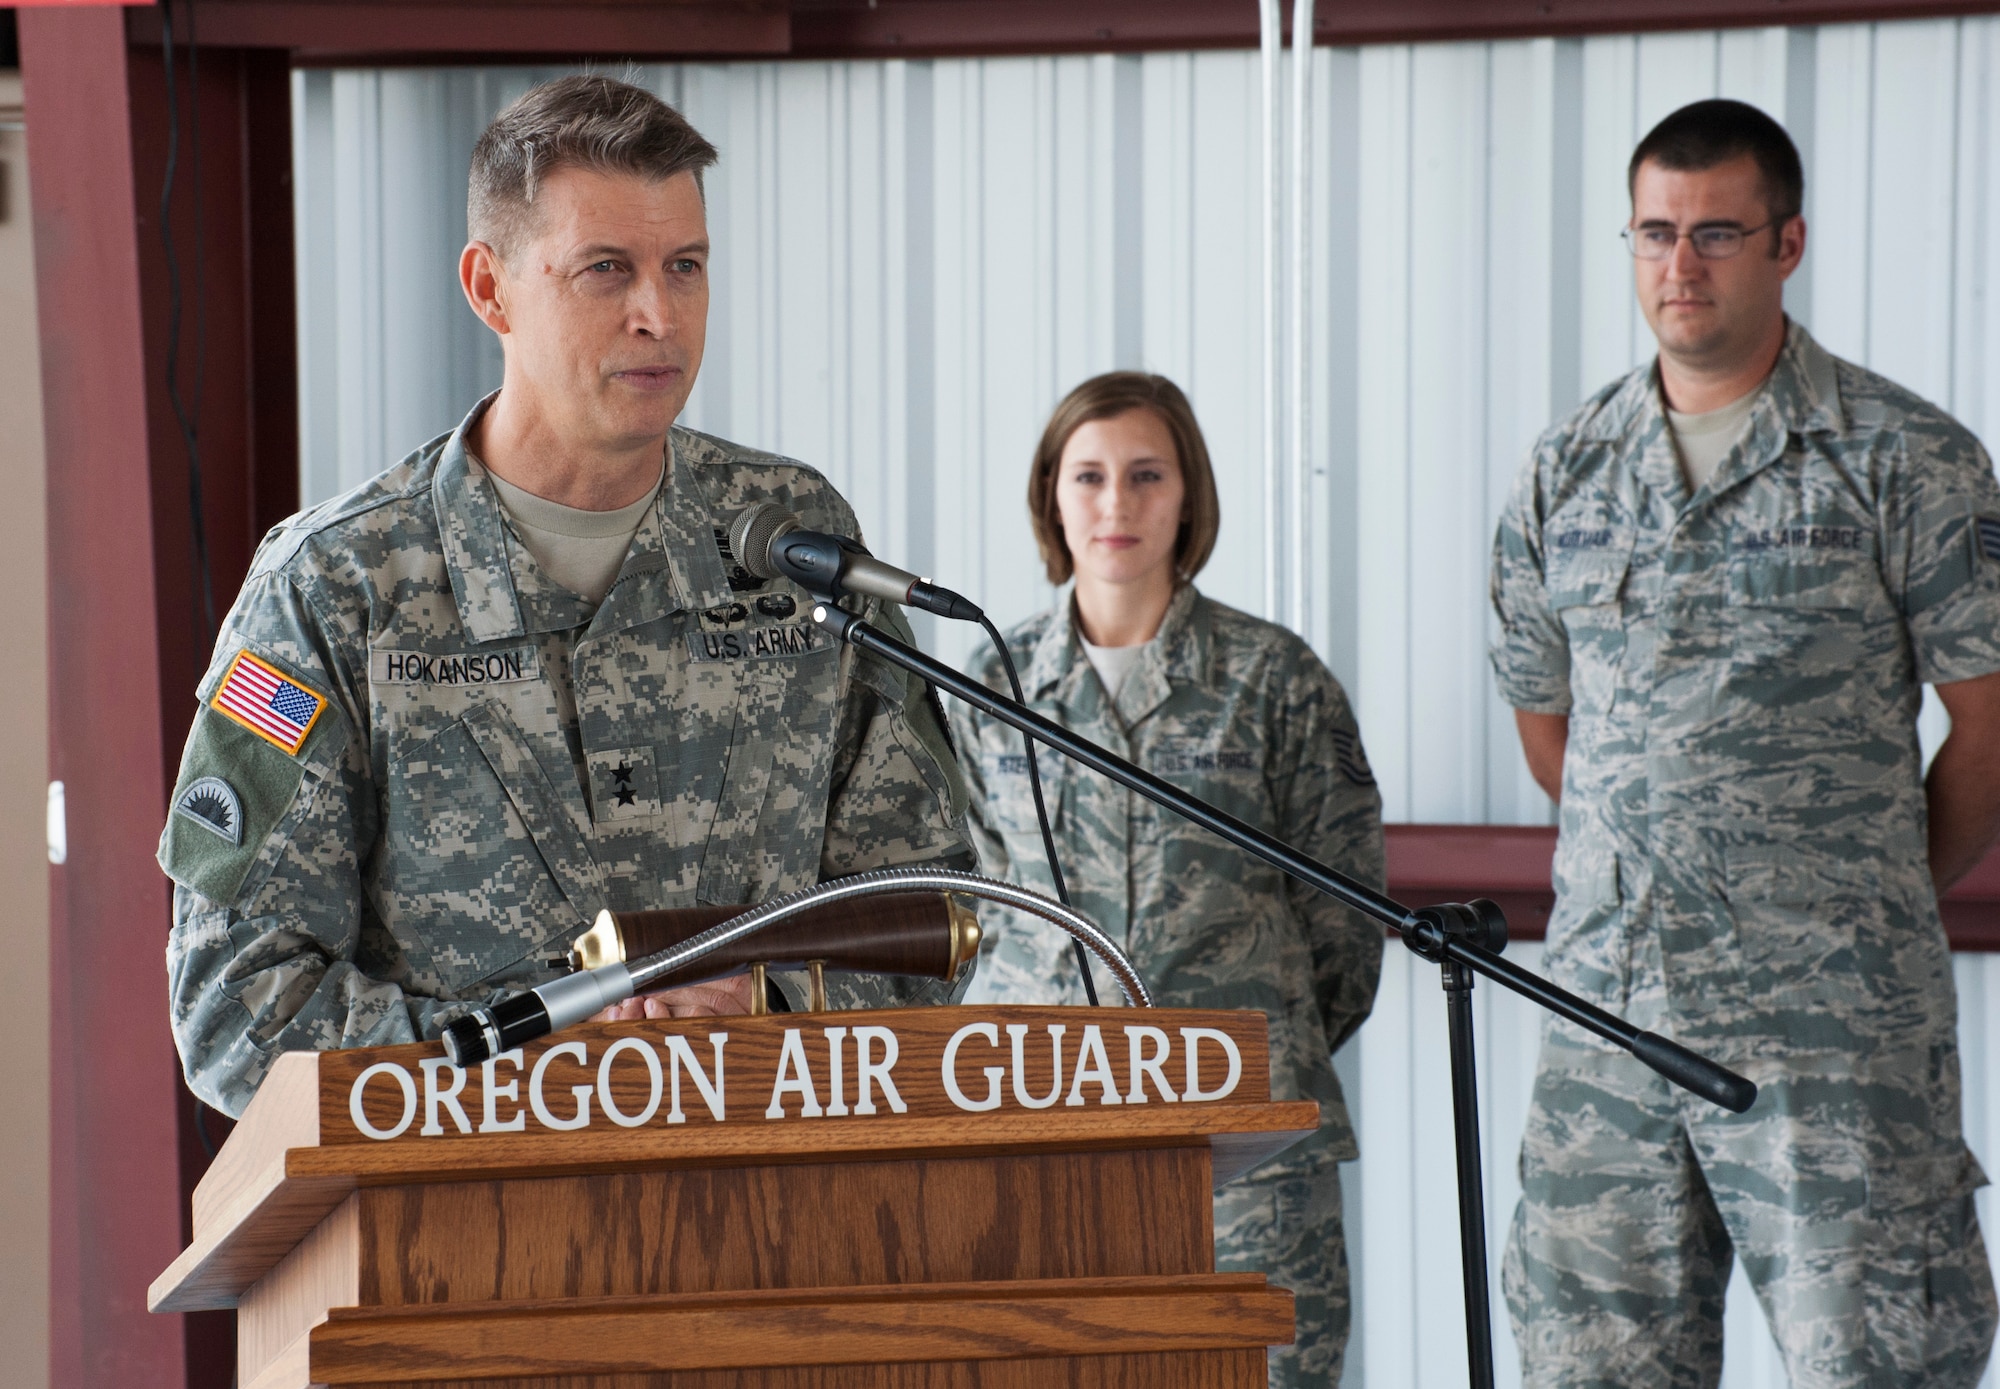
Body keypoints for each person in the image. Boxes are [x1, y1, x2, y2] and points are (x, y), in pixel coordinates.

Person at [159, 76, 976, 1118]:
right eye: (607, 270)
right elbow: (235, 1006)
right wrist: (539, 1063)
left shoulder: (782, 538)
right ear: (489, 288)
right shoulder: (338, 585)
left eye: (685, 267)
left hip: (777, 1223)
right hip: (465, 1244)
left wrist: (769, 1005)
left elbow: (933, 913)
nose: (659, 313)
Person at [1492, 98, 2000, 1387]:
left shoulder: (1906, 460)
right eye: (1654, 233)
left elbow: (1990, 729)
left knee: (1875, 1367)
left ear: (1787, 244)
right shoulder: (1566, 469)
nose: (1679, 266)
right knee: (1591, 1370)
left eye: (1715, 233)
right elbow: (1555, 737)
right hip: (1605, 1020)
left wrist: (1846, 892)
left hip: (1833, 1038)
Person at [953, 371, 1385, 1387]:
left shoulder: (1272, 678)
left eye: (1145, 475)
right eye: (1088, 476)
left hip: (1243, 1132)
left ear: (1187, 493)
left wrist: (1249, 1039)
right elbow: (967, 904)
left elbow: (1343, 919)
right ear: (1049, 496)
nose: (1115, 505)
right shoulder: (990, 684)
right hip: (1041, 1123)